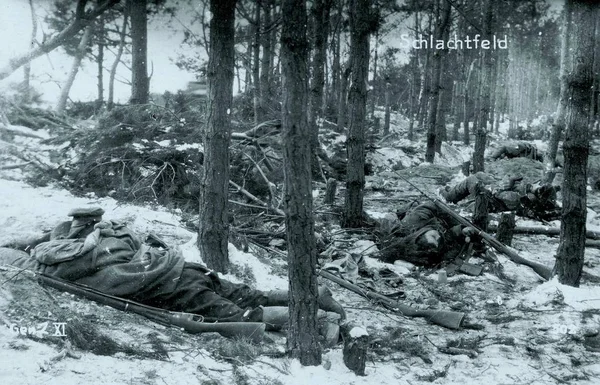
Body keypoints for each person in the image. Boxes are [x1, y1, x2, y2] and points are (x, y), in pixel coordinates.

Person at [0, 207, 345, 330]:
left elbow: (44, 257)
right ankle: (314, 297)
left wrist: (33, 248)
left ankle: (317, 320)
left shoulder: (71, 262)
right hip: (185, 268)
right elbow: (45, 242)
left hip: (174, 286)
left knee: (245, 314)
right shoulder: (114, 232)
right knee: (247, 293)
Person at [376, 201, 481, 267]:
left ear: (421, 235)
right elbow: (448, 236)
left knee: (414, 206)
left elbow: (433, 205)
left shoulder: (414, 221)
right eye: (437, 240)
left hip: (422, 212)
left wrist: (459, 222)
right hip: (436, 222)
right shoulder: (434, 242)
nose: (439, 236)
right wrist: (462, 230)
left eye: (433, 236)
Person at [439, 174, 561, 221]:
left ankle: (448, 196)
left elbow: (496, 193)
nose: (535, 184)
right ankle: (455, 191)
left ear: (536, 194)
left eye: (538, 186)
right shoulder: (527, 199)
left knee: (471, 180)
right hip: (489, 200)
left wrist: (510, 184)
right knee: (480, 175)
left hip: (484, 201)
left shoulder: (517, 198)